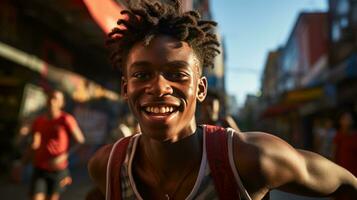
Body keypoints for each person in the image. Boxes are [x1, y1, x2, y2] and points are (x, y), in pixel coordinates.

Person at [88, 1, 357, 199]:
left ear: (201, 89)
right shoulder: (108, 167)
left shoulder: (250, 159)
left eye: (176, 74)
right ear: (126, 88)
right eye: (142, 74)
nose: (159, 87)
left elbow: (346, 184)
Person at [18, 89, 85, 200]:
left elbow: (81, 141)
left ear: (61, 103)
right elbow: (34, 144)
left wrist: (64, 156)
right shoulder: (38, 121)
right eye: (50, 98)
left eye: (55, 99)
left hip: (57, 170)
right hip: (39, 167)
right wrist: (23, 162)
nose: (51, 101)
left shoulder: (66, 119)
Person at [333, 111, 357, 200]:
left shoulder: (356, 136)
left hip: (354, 172)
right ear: (340, 121)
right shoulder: (338, 136)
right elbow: (334, 154)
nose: (347, 121)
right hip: (341, 172)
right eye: (344, 118)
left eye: (349, 118)